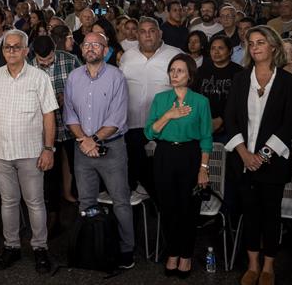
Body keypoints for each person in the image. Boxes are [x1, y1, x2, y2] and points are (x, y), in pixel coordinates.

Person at [0, 29, 58, 274]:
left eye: (15, 47)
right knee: (8, 202)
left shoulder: (38, 77)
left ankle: (40, 249)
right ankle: (11, 247)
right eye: (7, 47)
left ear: (25, 50)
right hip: (2, 152)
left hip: (32, 152)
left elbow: (49, 115)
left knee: (34, 203)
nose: (11, 51)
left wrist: (48, 148)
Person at [224, 25, 292, 285]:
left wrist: (262, 156)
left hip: (273, 162)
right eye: (251, 43)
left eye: (260, 42)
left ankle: (269, 266)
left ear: (274, 47)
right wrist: (244, 153)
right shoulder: (241, 79)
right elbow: (231, 120)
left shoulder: (289, 82)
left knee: (271, 215)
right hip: (243, 161)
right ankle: (253, 265)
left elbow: (289, 125)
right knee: (250, 213)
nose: (254, 47)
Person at [63, 32, 136, 270]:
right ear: (81, 50)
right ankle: (90, 247)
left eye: (96, 44)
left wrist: (92, 139)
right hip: (82, 148)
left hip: (112, 148)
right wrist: (84, 140)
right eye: (87, 44)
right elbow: (69, 114)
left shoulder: (117, 77)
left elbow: (117, 117)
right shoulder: (74, 77)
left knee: (120, 201)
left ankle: (127, 251)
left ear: (106, 50)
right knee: (86, 202)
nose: (91, 48)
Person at [144, 53, 212, 278]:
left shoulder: (201, 102)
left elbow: (206, 138)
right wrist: (169, 115)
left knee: (189, 209)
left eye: (180, 70)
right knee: (169, 208)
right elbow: (149, 132)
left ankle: (186, 254)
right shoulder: (161, 99)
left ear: (190, 75)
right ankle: (172, 252)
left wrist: (203, 169)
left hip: (190, 156)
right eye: (172, 70)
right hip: (164, 155)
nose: (174, 74)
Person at [119, 17, 182, 194]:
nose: (148, 35)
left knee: (161, 175)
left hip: (164, 126)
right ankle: (139, 211)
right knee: (133, 173)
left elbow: (185, 89)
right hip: (132, 125)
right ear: (137, 35)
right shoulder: (127, 57)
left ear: (160, 33)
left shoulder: (175, 55)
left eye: (152, 31)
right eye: (143, 31)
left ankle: (161, 210)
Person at [29, 36, 81, 235]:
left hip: (72, 126)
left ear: (54, 50)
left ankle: (82, 216)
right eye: (41, 62)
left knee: (79, 169)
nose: (46, 63)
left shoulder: (70, 60)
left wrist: (67, 98)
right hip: (44, 131)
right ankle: (53, 216)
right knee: (49, 175)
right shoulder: (29, 66)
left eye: (49, 59)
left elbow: (85, 89)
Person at [192, 35, 243, 143]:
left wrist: (221, 120)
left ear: (229, 51)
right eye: (213, 48)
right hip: (202, 124)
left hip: (228, 128)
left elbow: (240, 102)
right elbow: (193, 97)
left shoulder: (239, 73)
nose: (216, 52)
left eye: (221, 48)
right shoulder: (201, 71)